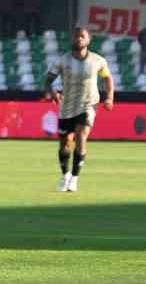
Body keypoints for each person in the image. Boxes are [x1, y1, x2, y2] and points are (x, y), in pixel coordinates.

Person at [42, 27, 114, 193]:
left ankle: (75, 178)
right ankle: (65, 175)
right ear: (71, 40)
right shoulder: (62, 61)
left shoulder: (98, 61)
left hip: (88, 105)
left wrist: (109, 97)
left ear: (88, 40)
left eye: (82, 37)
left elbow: (107, 79)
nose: (79, 39)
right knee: (65, 144)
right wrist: (52, 93)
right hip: (66, 107)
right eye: (76, 36)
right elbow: (48, 80)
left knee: (81, 136)